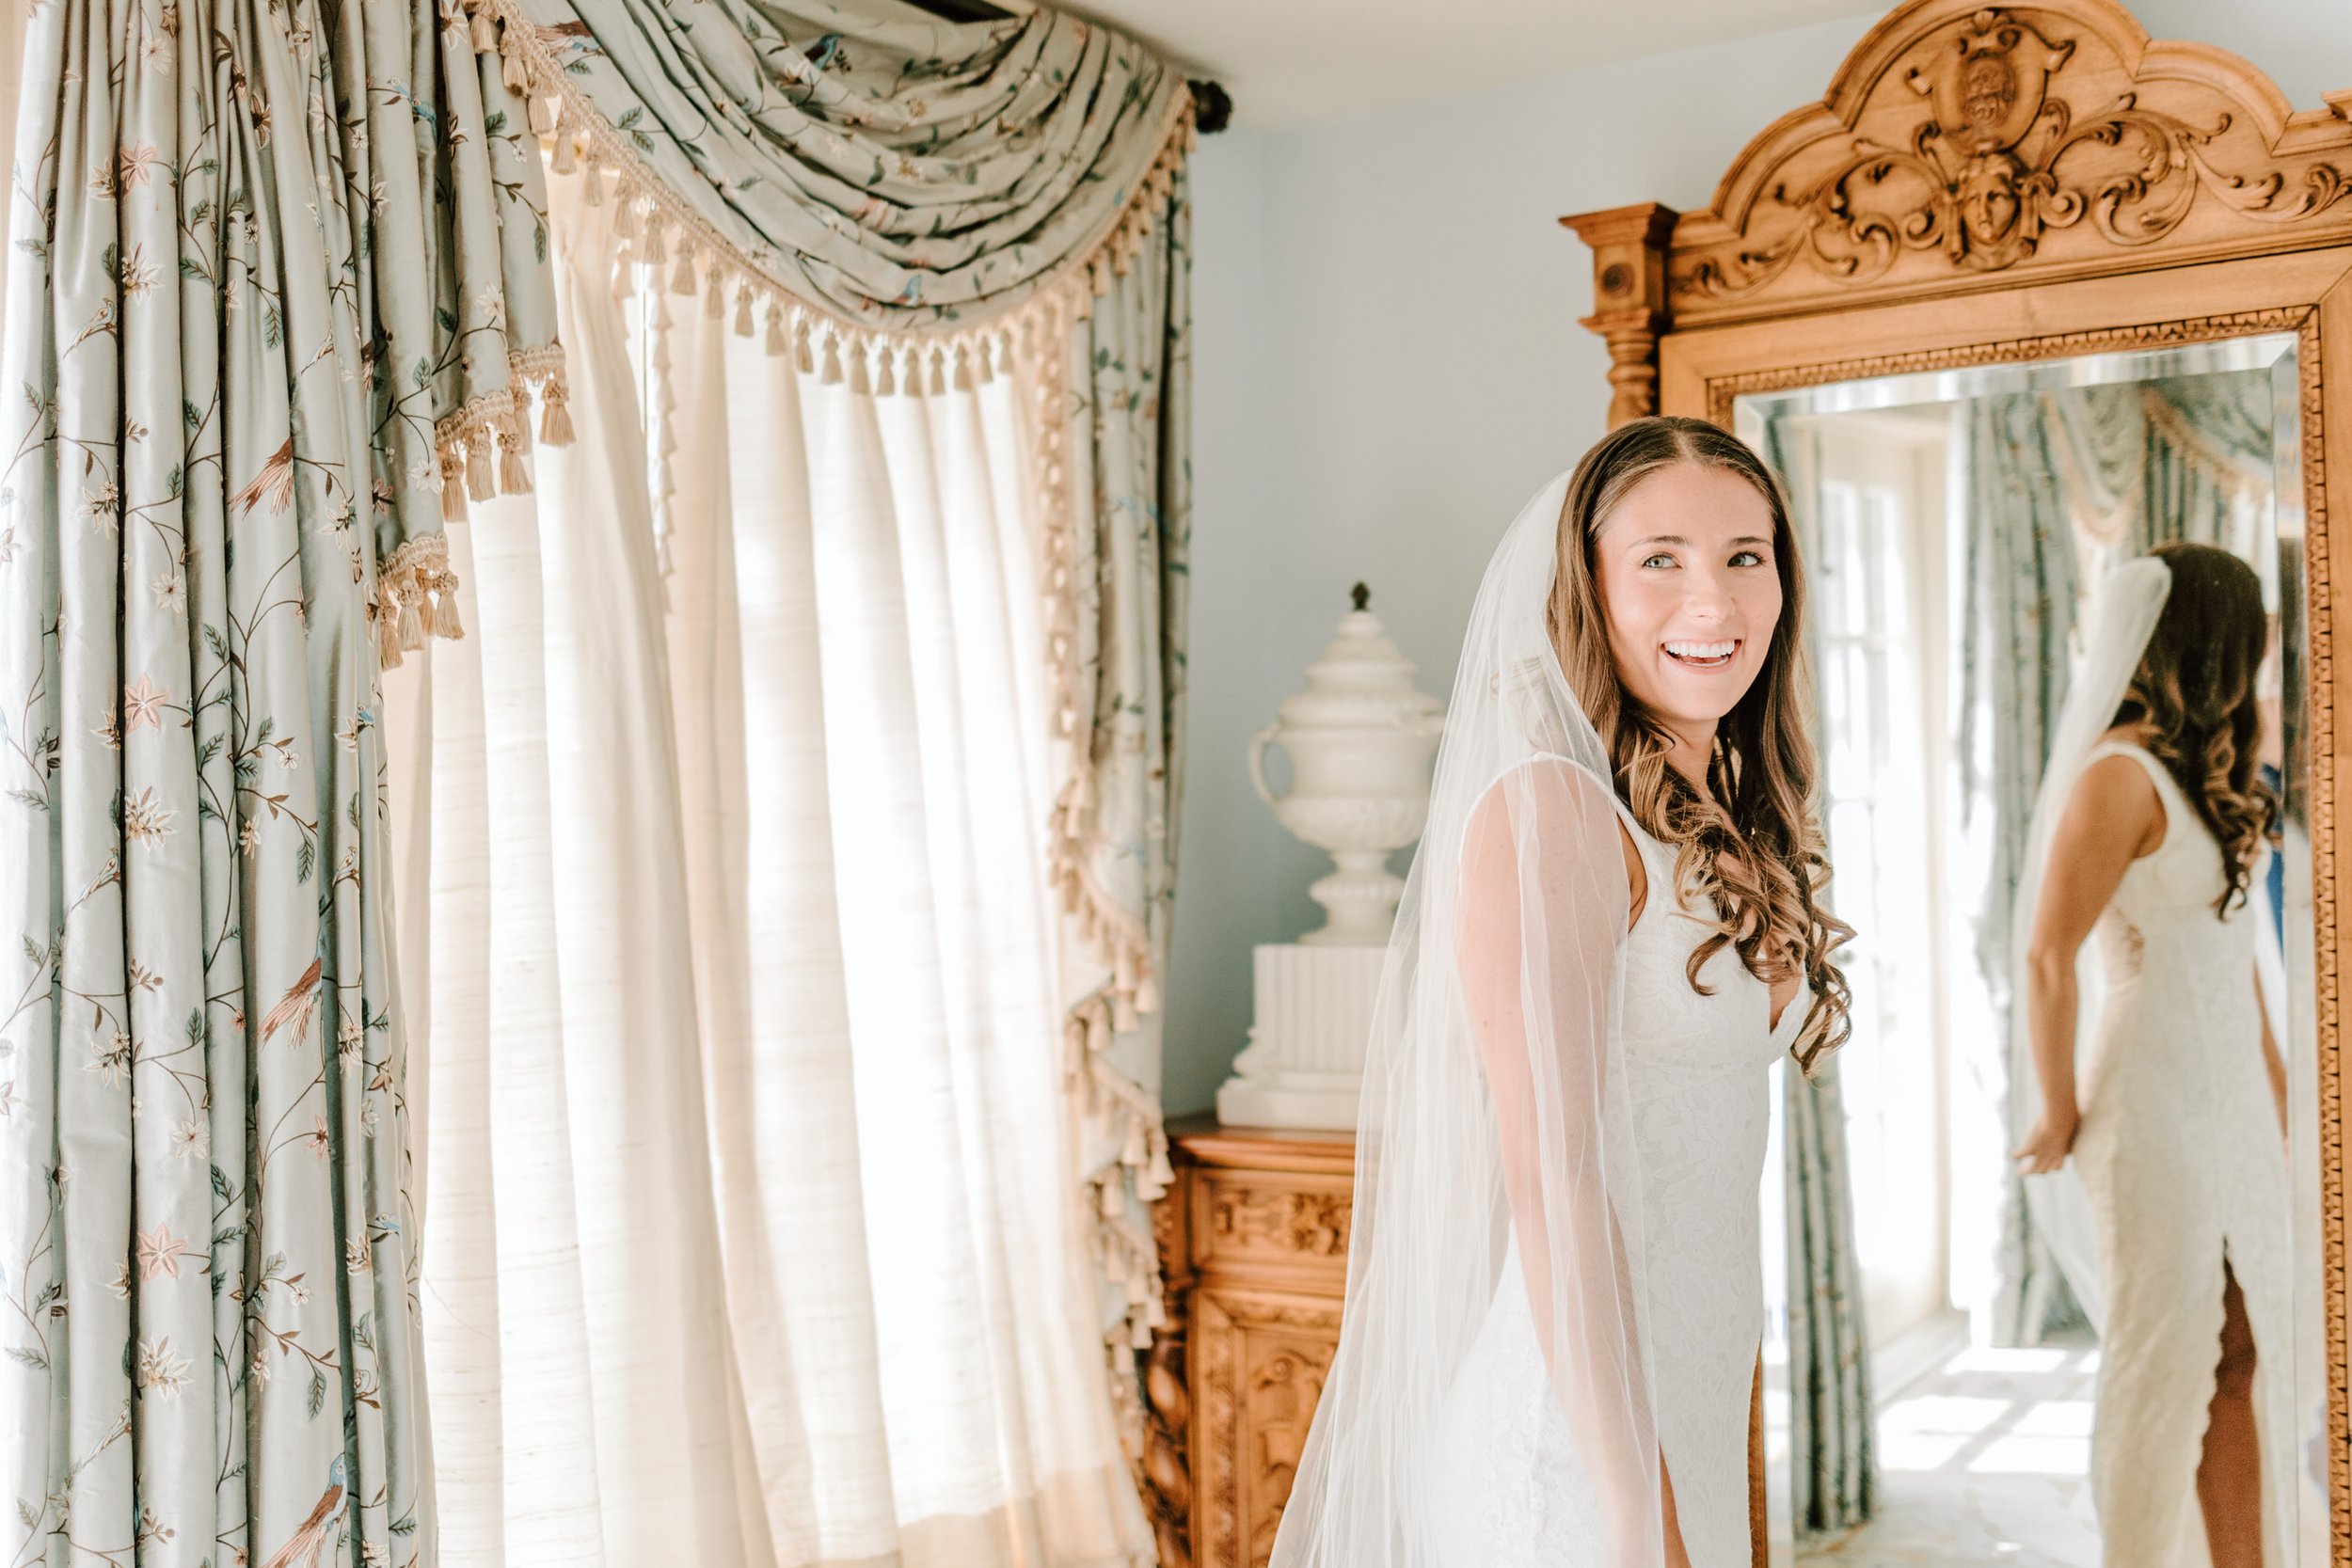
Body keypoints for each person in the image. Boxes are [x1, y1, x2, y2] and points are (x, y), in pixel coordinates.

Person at [1269, 417, 1851, 1568]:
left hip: (1682, 1392)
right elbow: (1558, 1184)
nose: (1715, 603)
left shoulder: (1712, 818)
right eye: (1660, 559)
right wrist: (1632, 1505)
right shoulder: (1552, 811)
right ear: (1584, 585)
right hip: (1571, 1442)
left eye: (1746, 554)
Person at [2010, 544, 2294, 1568]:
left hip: (2227, 1098)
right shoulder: (2117, 776)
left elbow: (2234, 961)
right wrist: (2053, 1106)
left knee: (2240, 1350)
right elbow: (2047, 952)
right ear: (2221, 641)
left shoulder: (2212, 767)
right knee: (2160, 1355)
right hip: (2148, 1107)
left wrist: (2279, 1097)